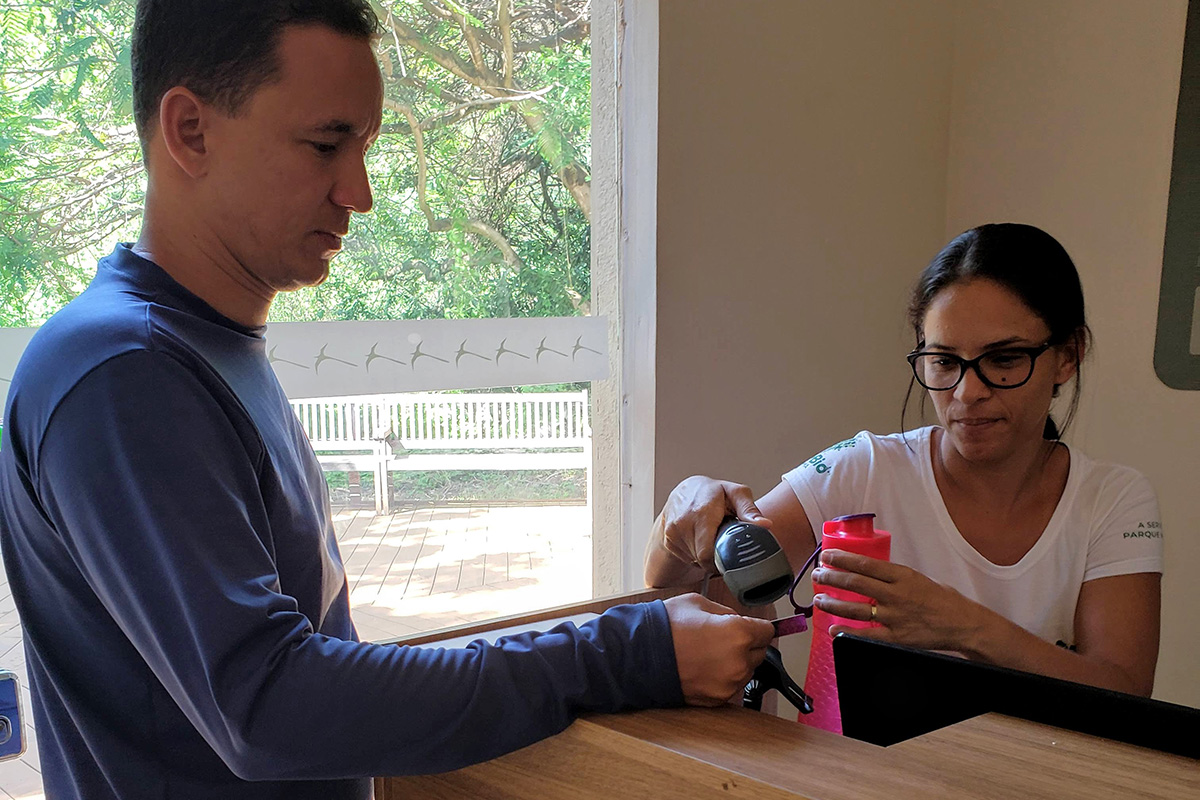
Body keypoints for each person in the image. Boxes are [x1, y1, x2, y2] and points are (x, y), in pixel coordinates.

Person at [0, 2, 774, 798]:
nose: (359, 194)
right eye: (326, 145)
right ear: (190, 130)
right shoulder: (124, 374)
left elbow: (310, 667)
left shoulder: (202, 349)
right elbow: (267, 704)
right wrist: (622, 654)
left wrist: (643, 629)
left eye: (365, 147)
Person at [646, 223, 1162, 697]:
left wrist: (963, 626)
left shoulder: (1113, 500)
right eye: (944, 362)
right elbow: (688, 593)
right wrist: (679, 516)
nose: (967, 392)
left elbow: (1123, 692)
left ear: (1068, 356)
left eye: (1004, 360)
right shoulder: (864, 469)